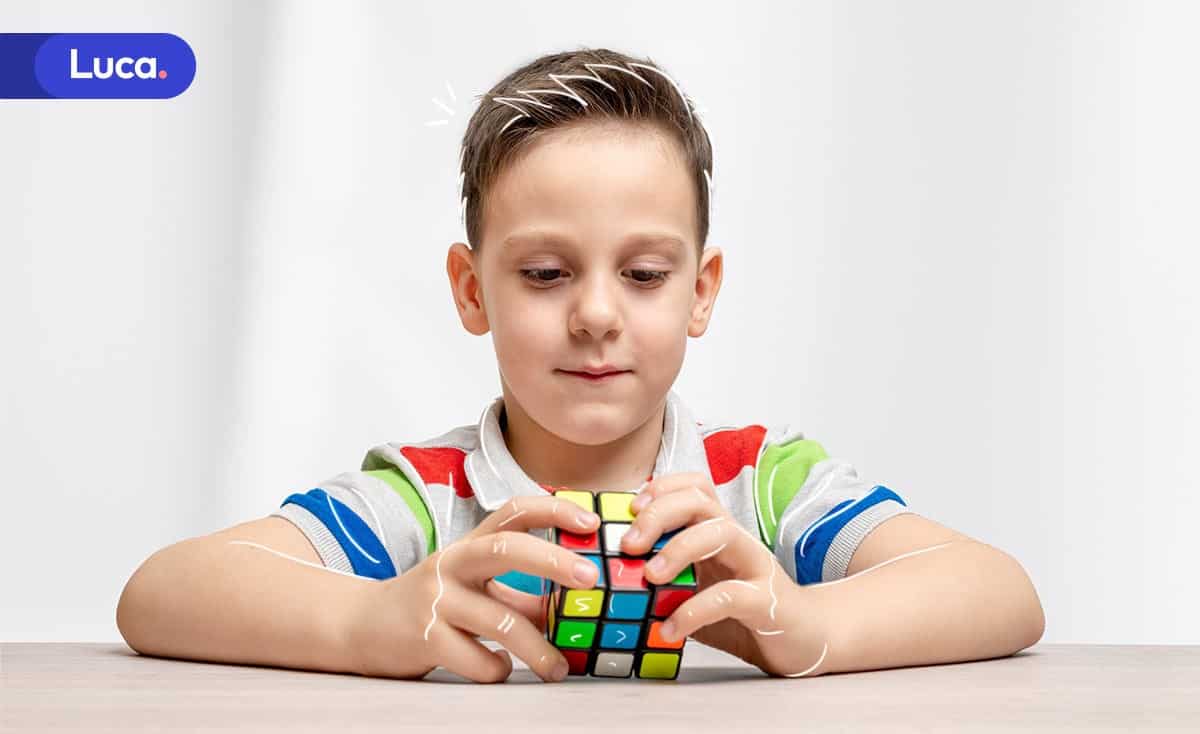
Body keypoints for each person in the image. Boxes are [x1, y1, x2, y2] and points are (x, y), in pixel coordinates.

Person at [116, 47, 1045, 684]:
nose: (597, 314)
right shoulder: (428, 499)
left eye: (643, 274)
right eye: (546, 273)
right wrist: (371, 623)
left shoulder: (756, 483)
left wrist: (806, 629)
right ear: (473, 290)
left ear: (700, 291)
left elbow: (1003, 592)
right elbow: (158, 595)